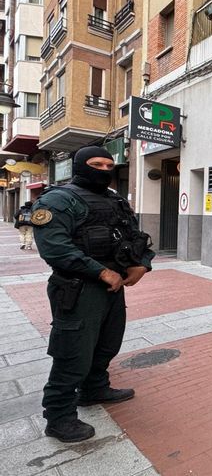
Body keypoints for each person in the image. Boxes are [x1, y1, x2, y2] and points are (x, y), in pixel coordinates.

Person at [32, 146, 155, 443]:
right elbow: (55, 248)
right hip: (79, 288)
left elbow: (134, 237)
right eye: (96, 163)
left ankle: (95, 388)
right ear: (79, 166)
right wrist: (100, 272)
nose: (104, 169)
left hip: (113, 288)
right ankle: (59, 417)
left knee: (107, 343)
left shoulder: (116, 200)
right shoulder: (58, 200)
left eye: (109, 164)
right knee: (72, 352)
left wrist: (143, 264)